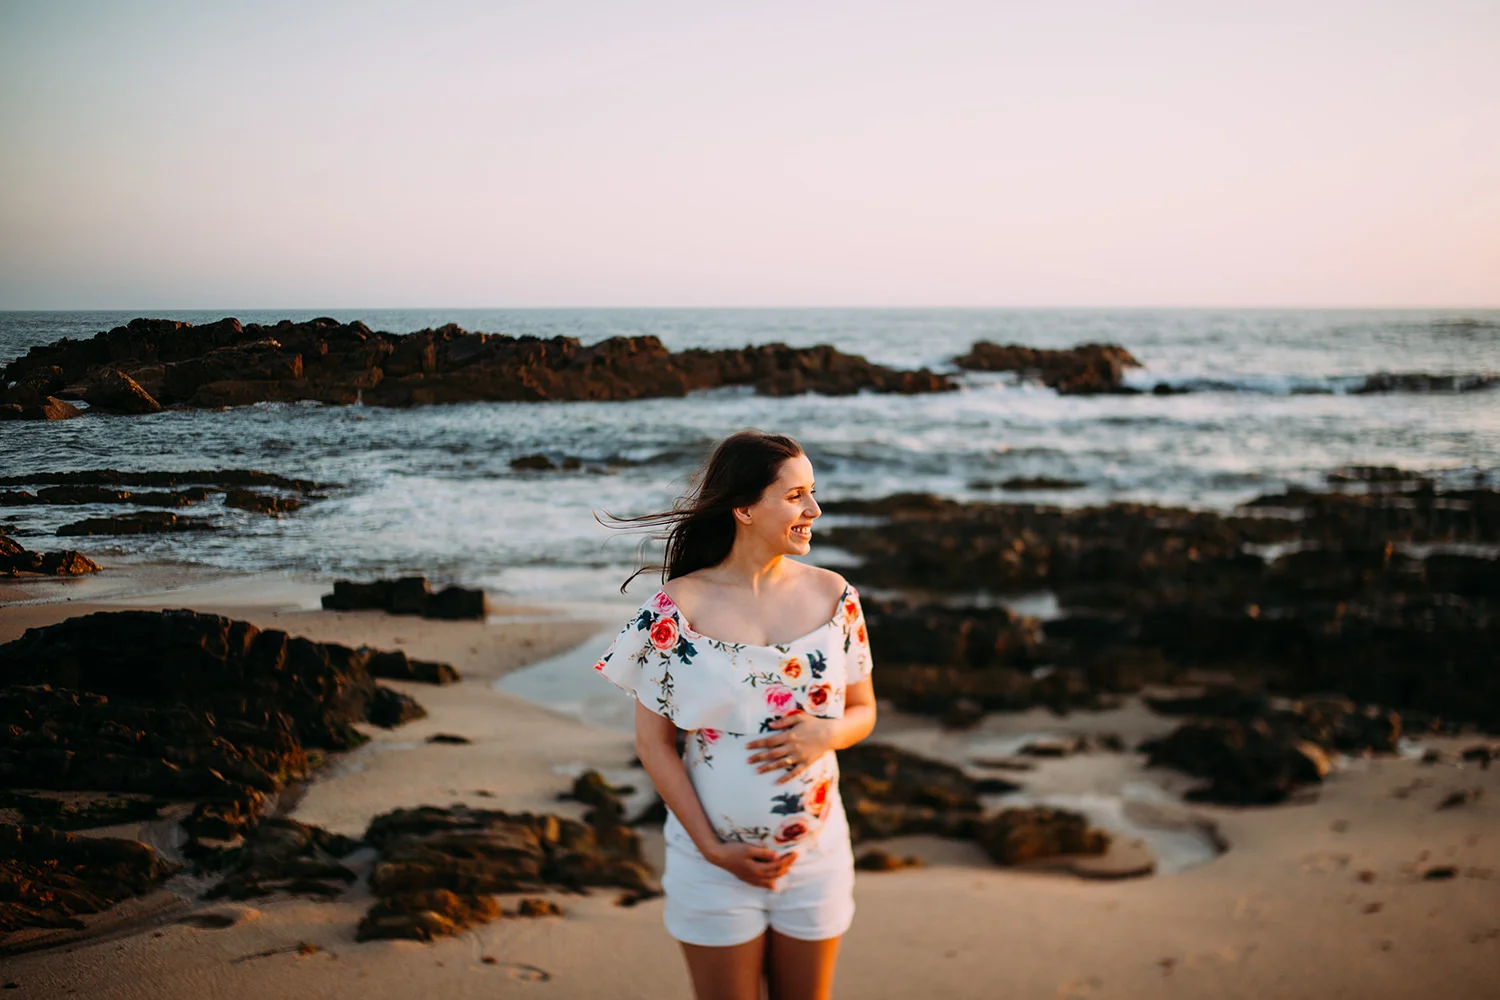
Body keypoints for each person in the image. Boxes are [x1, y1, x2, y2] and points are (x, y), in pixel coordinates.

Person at [592, 430, 877, 1000]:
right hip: (712, 866)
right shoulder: (677, 610)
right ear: (744, 508)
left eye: (812, 493)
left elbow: (865, 711)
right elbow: (654, 744)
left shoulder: (835, 595)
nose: (814, 510)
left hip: (815, 857)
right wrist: (714, 850)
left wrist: (828, 732)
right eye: (796, 495)